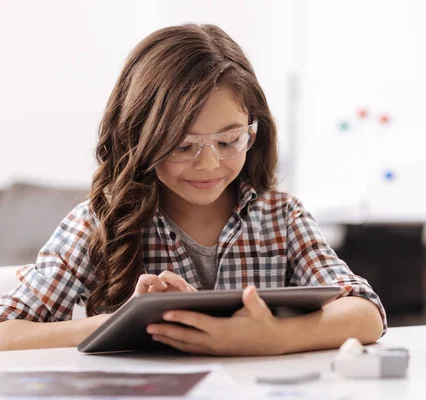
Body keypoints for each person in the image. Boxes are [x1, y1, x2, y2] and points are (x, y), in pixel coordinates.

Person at [0, 24, 386, 354]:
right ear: (138, 138)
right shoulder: (100, 222)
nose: (208, 164)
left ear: (254, 130)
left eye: (229, 140)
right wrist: (117, 323)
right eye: (183, 146)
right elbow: (6, 331)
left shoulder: (280, 216)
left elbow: (366, 313)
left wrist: (273, 337)